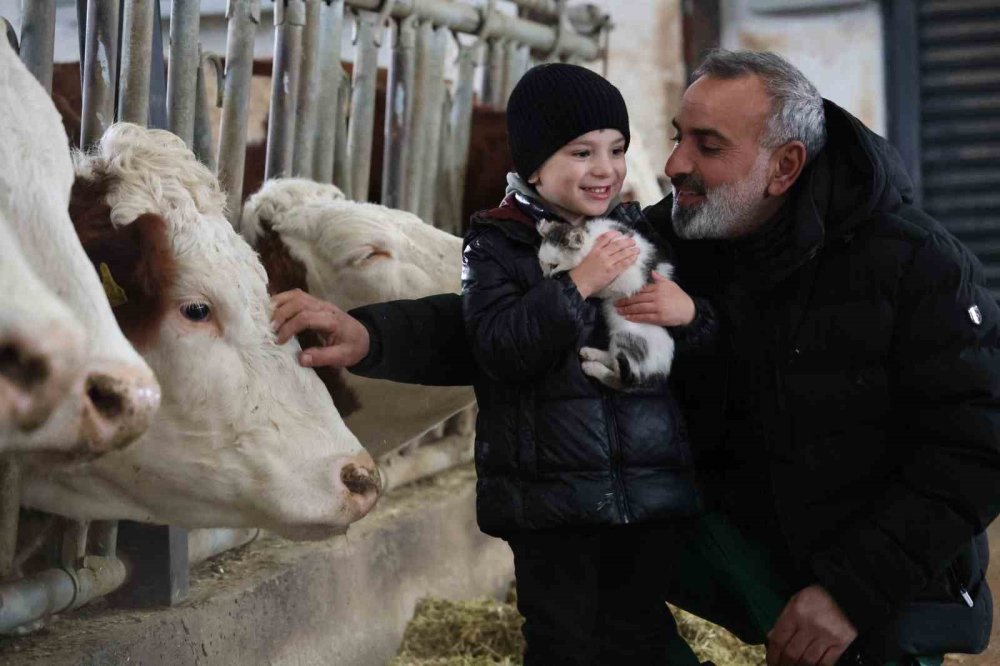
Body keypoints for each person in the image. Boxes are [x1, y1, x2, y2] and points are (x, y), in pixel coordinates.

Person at [271, 50, 1000, 666]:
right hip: (735, 528)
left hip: (874, 568)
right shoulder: (683, 230)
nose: (673, 165)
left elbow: (978, 444)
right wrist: (373, 336)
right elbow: (523, 318)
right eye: (677, 136)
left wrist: (852, 591)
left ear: (784, 167)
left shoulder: (917, 267)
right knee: (591, 590)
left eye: (707, 146)